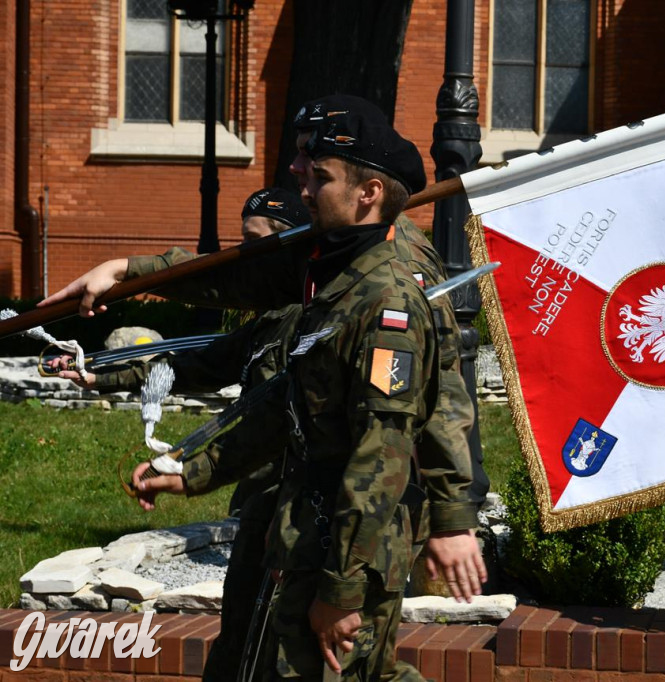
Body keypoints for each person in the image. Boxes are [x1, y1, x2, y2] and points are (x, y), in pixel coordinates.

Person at [44, 96, 478, 680]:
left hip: (345, 538)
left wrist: (357, 579)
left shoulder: (386, 298)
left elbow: (391, 445)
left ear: (368, 193)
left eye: (316, 170)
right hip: (305, 521)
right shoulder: (335, 271)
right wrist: (127, 272)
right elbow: (280, 376)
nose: (298, 178)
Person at [50, 187, 308, 681]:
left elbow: (267, 426)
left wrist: (186, 469)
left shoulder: (310, 321)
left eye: (252, 243)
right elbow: (186, 367)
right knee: (239, 644)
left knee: (279, 652)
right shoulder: (269, 324)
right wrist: (99, 374)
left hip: (299, 511)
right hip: (260, 506)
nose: (242, 257)